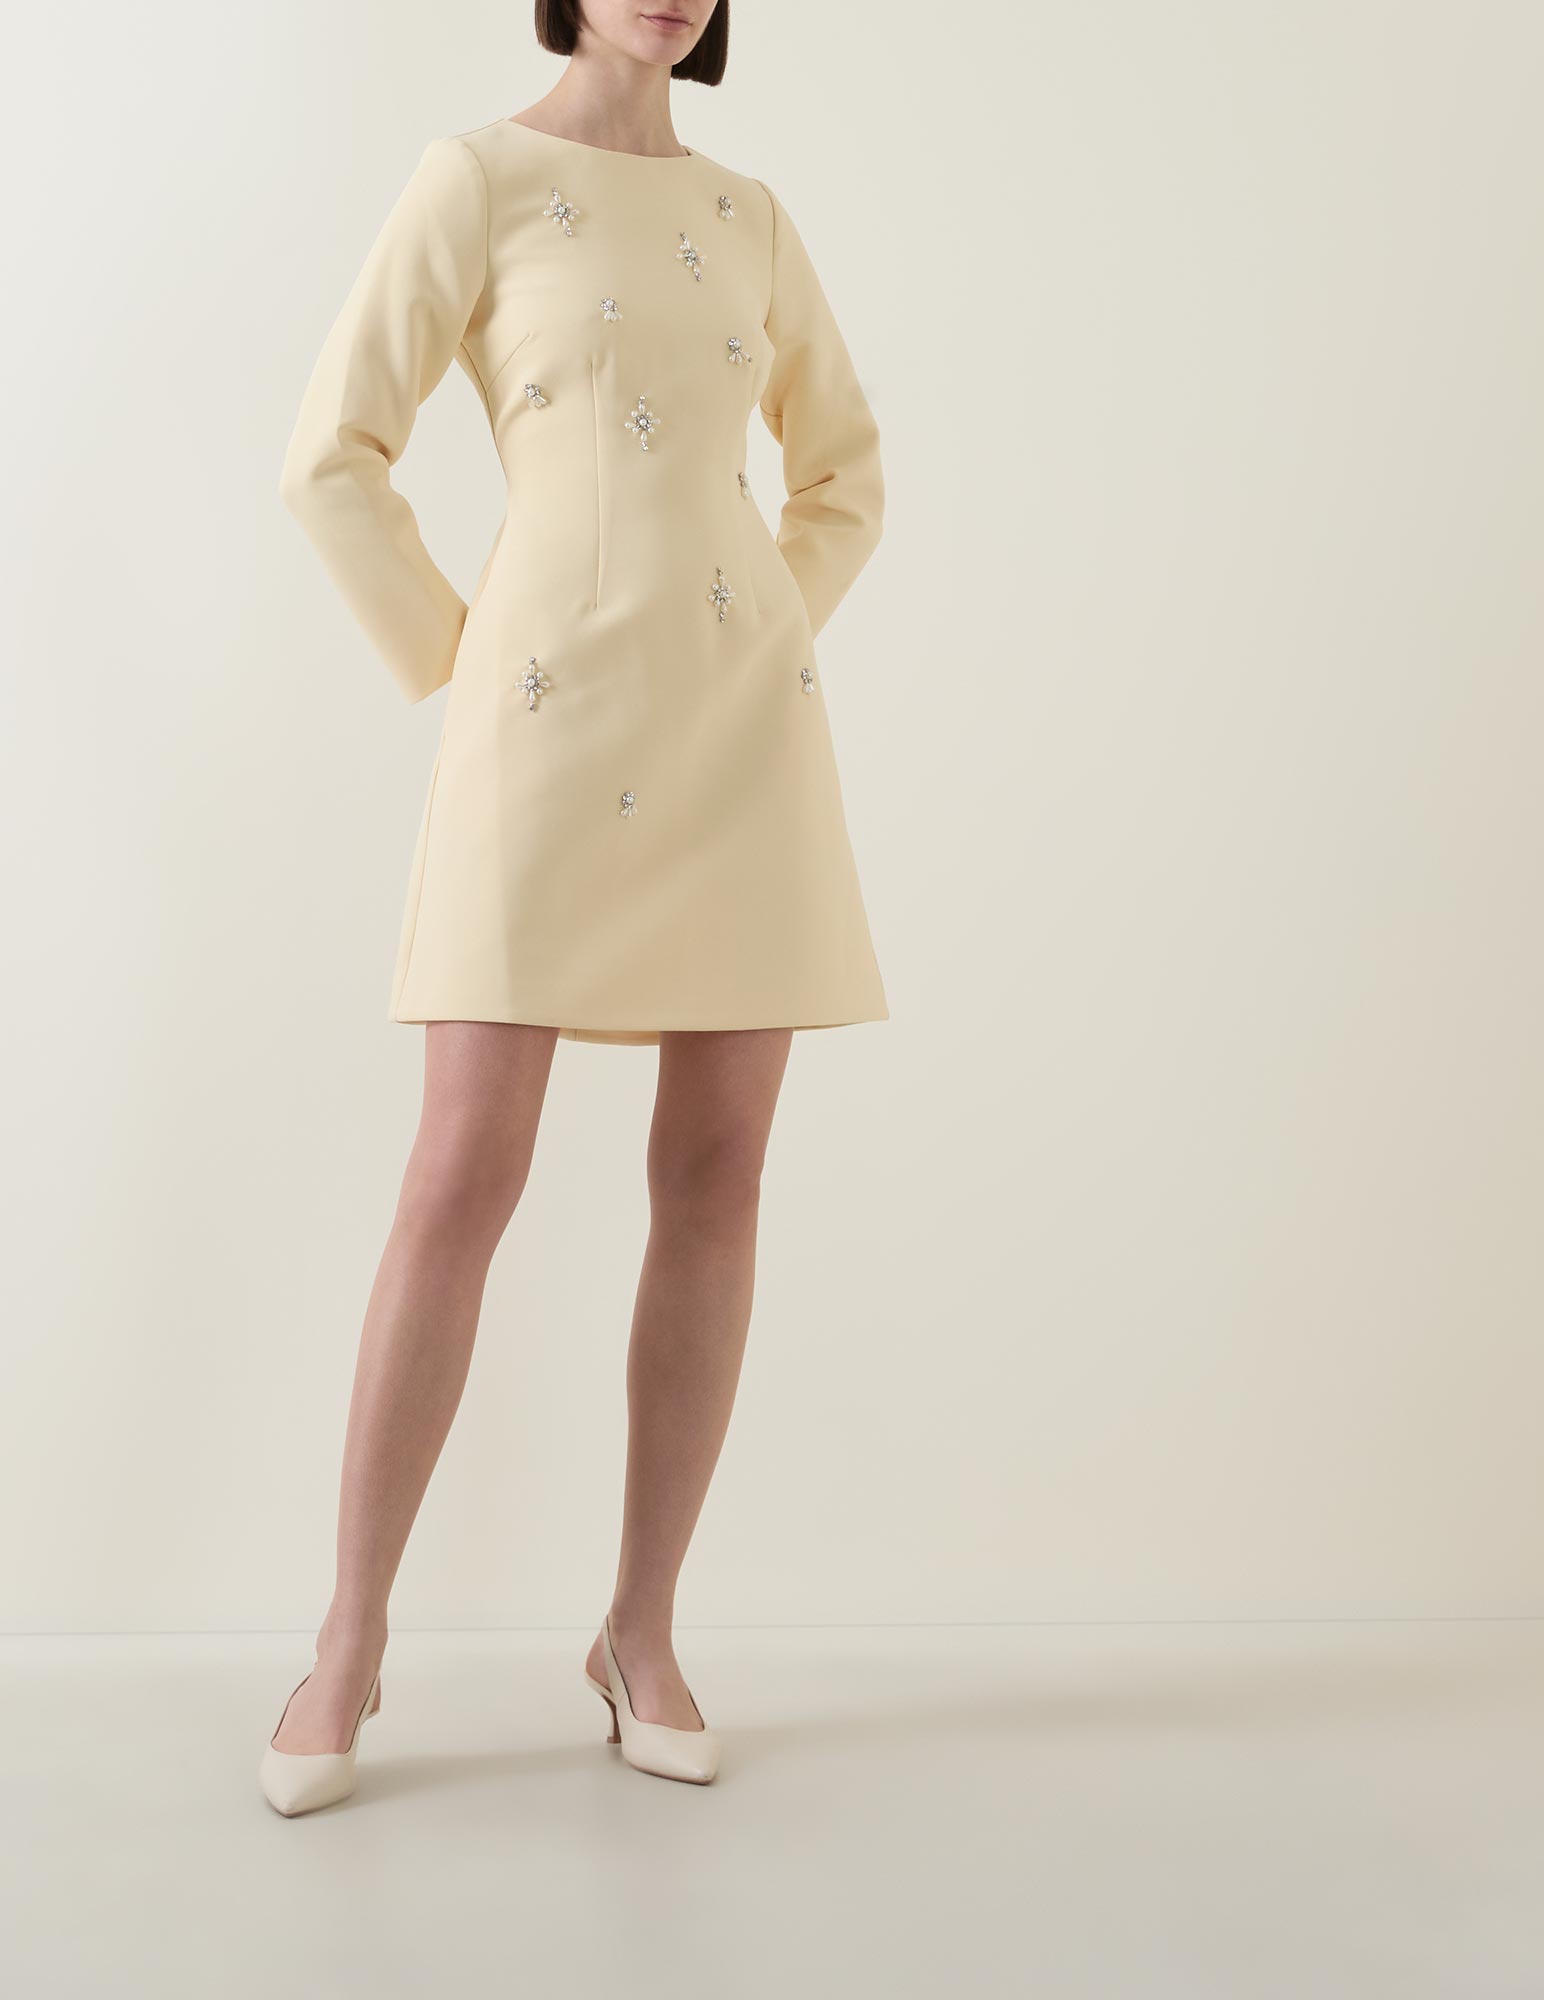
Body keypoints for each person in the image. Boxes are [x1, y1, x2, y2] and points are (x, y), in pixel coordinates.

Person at [259, 0, 887, 1815]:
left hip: (739, 739)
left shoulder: (752, 216)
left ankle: (641, 1629)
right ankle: (350, 1637)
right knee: (463, 1166)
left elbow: (844, 472)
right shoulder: (475, 178)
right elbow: (329, 455)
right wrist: (465, 663)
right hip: (537, 723)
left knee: (720, 1170)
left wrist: (758, 628)